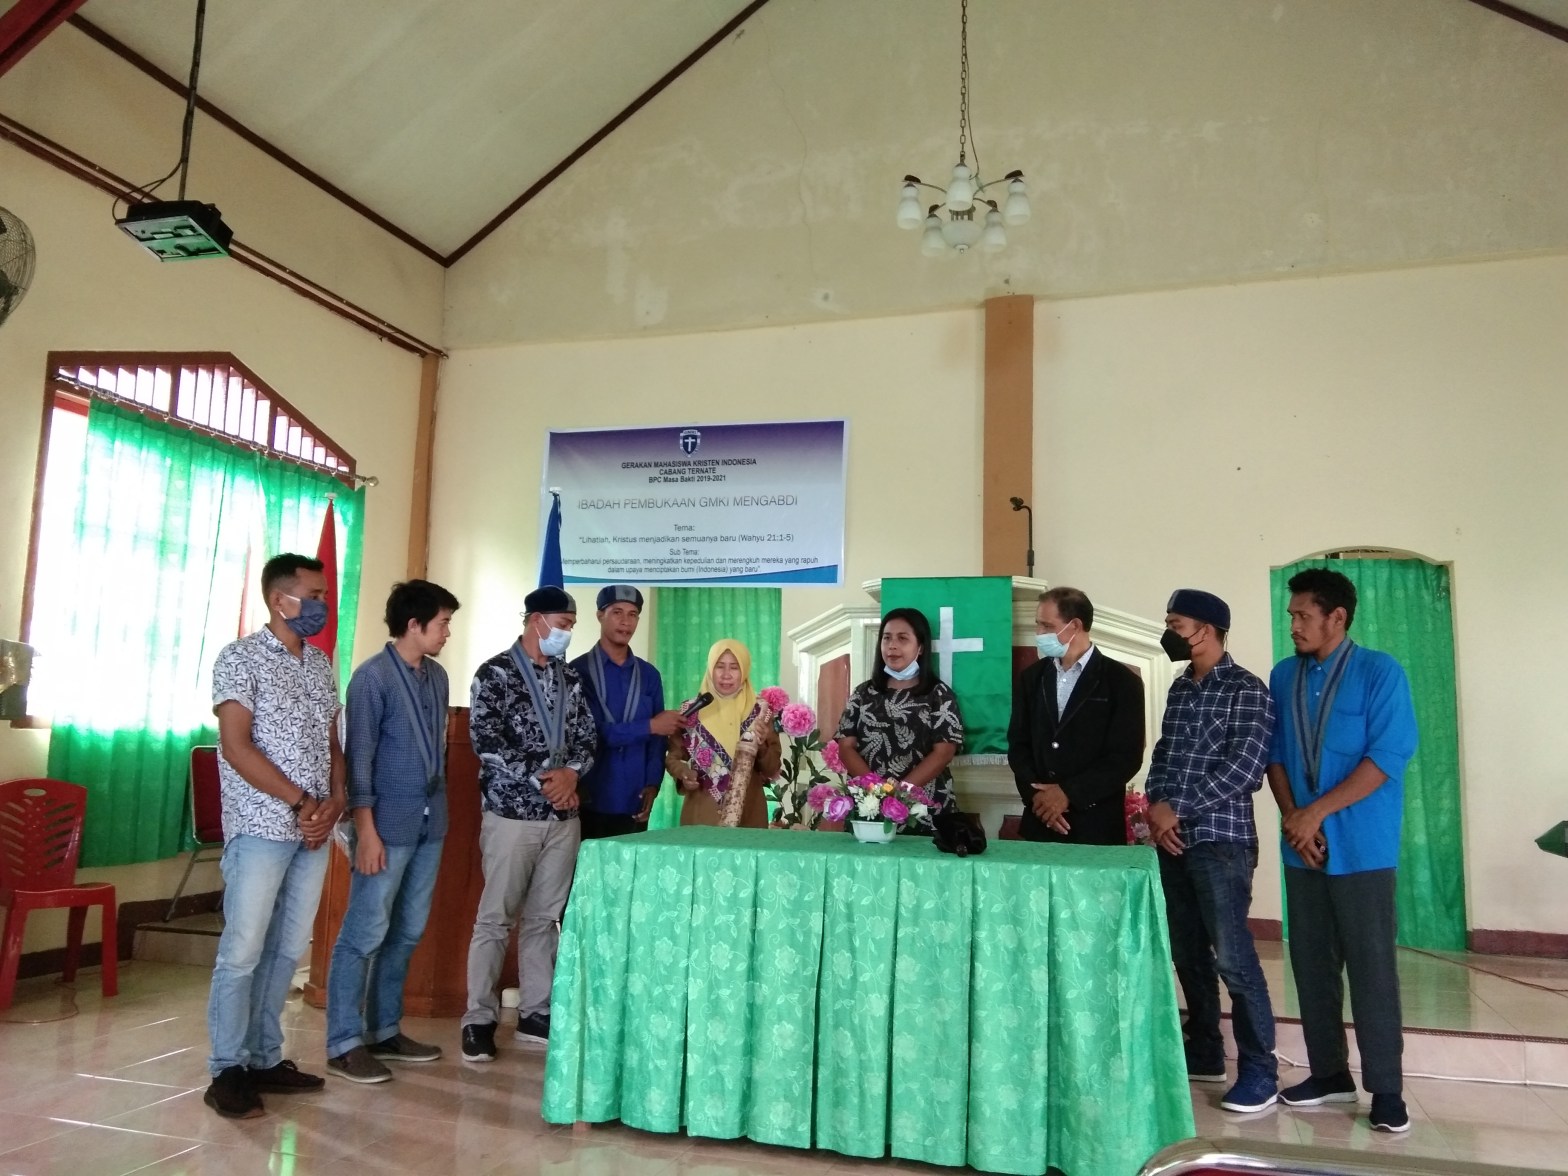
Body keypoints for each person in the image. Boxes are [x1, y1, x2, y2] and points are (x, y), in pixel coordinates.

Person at [1266, 568, 1419, 1134]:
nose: (1294, 625)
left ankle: (1387, 1090)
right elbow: (1274, 755)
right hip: (1301, 848)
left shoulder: (1380, 671)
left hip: (1363, 848)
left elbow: (1386, 757)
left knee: (1372, 969)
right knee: (1312, 965)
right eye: (1291, 615)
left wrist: (1316, 813)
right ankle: (1329, 1073)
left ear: (1337, 617)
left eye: (1303, 615)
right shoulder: (1283, 676)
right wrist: (1294, 819)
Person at [204, 553, 346, 1119]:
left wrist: (334, 801)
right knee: (243, 949)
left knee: (289, 947)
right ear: (278, 599)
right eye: (313, 596)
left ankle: (264, 1058)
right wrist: (302, 802)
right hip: (262, 826)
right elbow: (236, 746)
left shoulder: (320, 663)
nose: (322, 605)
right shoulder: (239, 658)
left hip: (314, 831)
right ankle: (227, 1069)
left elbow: (331, 743)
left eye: (324, 596)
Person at [1145, 588, 1278, 1114]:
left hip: (1221, 842)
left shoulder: (1247, 688)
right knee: (1187, 952)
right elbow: (1164, 753)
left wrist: (1177, 808)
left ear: (1206, 630)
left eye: (1175, 624)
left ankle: (1260, 1071)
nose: (1169, 633)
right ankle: (1205, 1050)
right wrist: (1156, 807)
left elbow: (1244, 768)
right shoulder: (1181, 688)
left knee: (1234, 959)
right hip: (1173, 840)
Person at [325, 579, 460, 1084]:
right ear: (413, 624)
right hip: (384, 826)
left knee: (407, 931)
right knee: (364, 932)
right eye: (442, 623)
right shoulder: (371, 679)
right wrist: (366, 830)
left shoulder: (438, 677)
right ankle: (343, 1043)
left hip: (430, 822)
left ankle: (384, 1030)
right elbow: (359, 761)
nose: (447, 632)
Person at [460, 586, 597, 1063]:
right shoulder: (495, 673)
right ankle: (478, 1019)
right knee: (495, 918)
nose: (567, 633)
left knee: (544, 919)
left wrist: (571, 774)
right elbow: (486, 743)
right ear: (536, 620)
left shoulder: (570, 678)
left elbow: (588, 739)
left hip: (562, 816)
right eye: (563, 625)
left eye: (572, 627)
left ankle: (535, 1011)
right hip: (511, 815)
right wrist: (545, 778)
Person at [1007, 587, 1145, 844]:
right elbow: (1018, 745)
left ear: (1075, 626)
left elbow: (1125, 756)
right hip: (1040, 823)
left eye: (1047, 626)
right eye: (1038, 624)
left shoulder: (1122, 681)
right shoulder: (1032, 678)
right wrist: (1040, 800)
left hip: (1096, 826)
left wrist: (1067, 794)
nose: (1039, 633)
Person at [570, 585, 687, 838]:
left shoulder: (649, 674)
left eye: (633, 614)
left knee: (630, 863)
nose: (626, 622)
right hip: (588, 796)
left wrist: (653, 783)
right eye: (617, 612)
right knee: (585, 863)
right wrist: (650, 725)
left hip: (635, 797)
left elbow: (658, 740)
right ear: (600, 615)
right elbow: (591, 734)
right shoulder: (577, 672)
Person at [835, 608, 965, 831]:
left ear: (920, 647)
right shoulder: (863, 693)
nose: (892, 646)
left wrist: (899, 794)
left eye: (902, 638)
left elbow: (944, 751)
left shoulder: (938, 694)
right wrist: (877, 793)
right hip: (869, 807)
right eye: (887, 638)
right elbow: (846, 746)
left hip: (924, 810)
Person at [666, 639, 781, 827]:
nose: (726, 675)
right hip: (701, 813)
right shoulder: (691, 710)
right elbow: (673, 757)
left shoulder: (760, 712)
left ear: (744, 670)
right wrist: (684, 774)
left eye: (734, 667)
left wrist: (761, 746)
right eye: (720, 666)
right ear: (711, 668)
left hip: (749, 813)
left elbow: (772, 768)